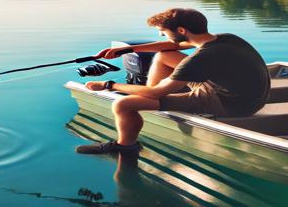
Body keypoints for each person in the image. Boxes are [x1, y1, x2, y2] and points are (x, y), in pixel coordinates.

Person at [76, 8, 270, 155]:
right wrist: (128, 50)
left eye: (162, 30)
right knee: (163, 56)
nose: (161, 34)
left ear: (181, 29)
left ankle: (125, 147)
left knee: (124, 104)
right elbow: (171, 45)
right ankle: (152, 91)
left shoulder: (200, 59)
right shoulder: (225, 39)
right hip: (249, 94)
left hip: (231, 104)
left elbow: (155, 94)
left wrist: (108, 85)